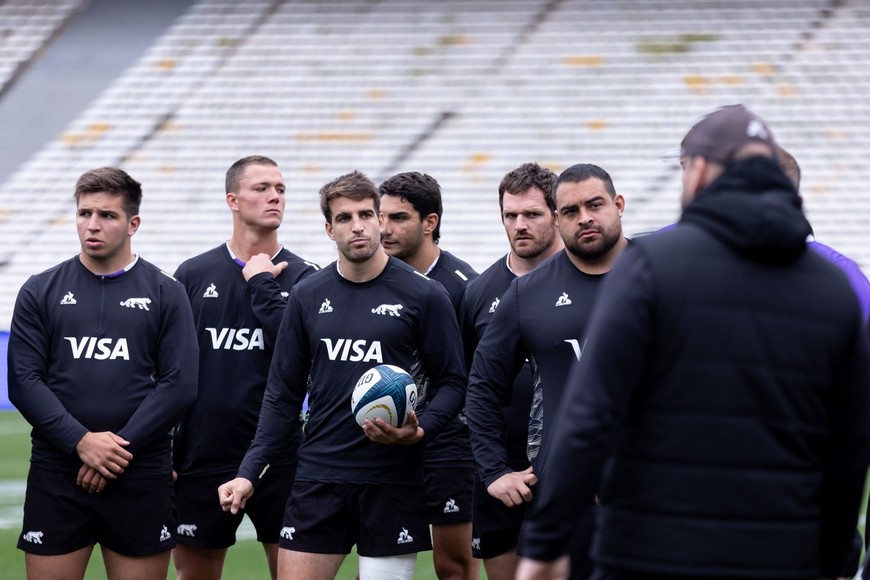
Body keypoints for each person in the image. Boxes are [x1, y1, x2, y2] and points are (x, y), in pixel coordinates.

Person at [516, 104, 870, 580]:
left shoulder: (649, 264)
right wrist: (832, 555)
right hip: (781, 550)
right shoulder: (835, 285)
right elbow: (849, 447)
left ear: (699, 172)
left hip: (651, 550)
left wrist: (544, 544)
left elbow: (592, 413)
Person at [217, 170, 467, 580]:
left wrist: (422, 431)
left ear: (378, 219)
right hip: (319, 476)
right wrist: (248, 473)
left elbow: (455, 383)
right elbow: (282, 394)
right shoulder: (307, 295)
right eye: (346, 218)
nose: (360, 226)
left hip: (392, 481)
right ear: (329, 229)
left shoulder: (424, 294)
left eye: (367, 215)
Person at [7, 167, 199, 579]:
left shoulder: (166, 291)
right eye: (84, 213)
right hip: (58, 471)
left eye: (107, 215)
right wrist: (79, 441)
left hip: (139, 470)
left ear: (133, 224)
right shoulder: (40, 289)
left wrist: (113, 450)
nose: (92, 225)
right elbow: (24, 382)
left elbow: (179, 385)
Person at [467, 163, 629, 579]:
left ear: (619, 205)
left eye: (595, 205)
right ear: (559, 219)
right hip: (569, 500)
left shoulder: (662, 274)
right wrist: (494, 471)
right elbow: (482, 389)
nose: (585, 218)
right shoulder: (527, 294)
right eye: (571, 211)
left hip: (659, 491)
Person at [171, 156, 319, 580]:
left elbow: (309, 358)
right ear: (233, 200)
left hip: (281, 452)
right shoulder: (193, 274)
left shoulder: (308, 278)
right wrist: (166, 449)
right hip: (204, 450)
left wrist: (264, 286)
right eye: (262, 188)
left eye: (281, 189)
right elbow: (169, 370)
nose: (275, 196)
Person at [459, 162, 563, 579]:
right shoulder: (478, 291)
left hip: (572, 466)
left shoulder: (588, 279)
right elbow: (472, 384)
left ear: (556, 214)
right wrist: (492, 469)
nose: (520, 225)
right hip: (502, 474)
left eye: (533, 214)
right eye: (510, 215)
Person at [378, 170, 479, 580]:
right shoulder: (371, 278)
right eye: (380, 216)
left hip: (450, 443)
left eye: (398, 218)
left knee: (453, 566)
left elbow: (473, 374)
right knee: (378, 563)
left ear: (430, 222)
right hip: (384, 440)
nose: (384, 229)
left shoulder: (465, 287)